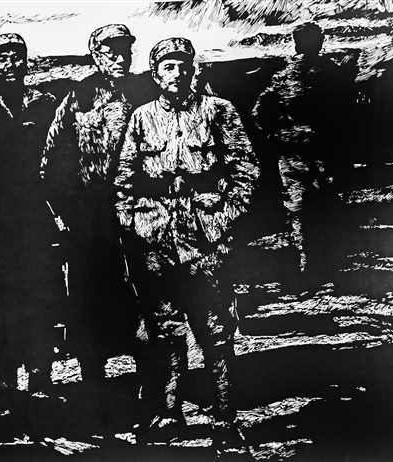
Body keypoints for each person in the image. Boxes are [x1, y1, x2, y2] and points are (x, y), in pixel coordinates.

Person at [114, 38, 259, 454]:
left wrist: (224, 220)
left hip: (206, 240)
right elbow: (124, 179)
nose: (176, 73)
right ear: (155, 74)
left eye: (182, 65)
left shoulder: (219, 111)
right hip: (156, 240)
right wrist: (134, 222)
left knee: (215, 330)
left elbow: (246, 170)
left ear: (193, 70)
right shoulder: (141, 117)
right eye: (167, 67)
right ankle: (168, 414)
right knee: (164, 329)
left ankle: (225, 419)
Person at [40, 24, 153, 388]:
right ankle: (93, 385)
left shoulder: (146, 91)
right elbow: (52, 163)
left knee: (146, 295)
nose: (120, 58)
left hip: (141, 212)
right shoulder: (78, 97)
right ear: (96, 55)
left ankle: (151, 383)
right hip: (90, 219)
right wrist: (67, 214)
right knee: (90, 297)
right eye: (110, 51)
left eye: (125, 50)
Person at [0, 32, 58, 398]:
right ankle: (3, 386)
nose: (11, 64)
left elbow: (58, 155)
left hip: (36, 214)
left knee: (40, 296)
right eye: (2, 57)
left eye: (18, 56)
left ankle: (40, 379)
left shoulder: (44, 103)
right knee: (0, 301)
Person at [252, 22, 348, 280]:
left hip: (292, 152)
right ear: (320, 41)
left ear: (296, 43)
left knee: (299, 209)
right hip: (325, 152)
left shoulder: (282, 77)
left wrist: (276, 136)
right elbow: (348, 112)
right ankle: (330, 265)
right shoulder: (333, 73)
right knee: (328, 205)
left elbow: (258, 113)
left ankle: (307, 265)